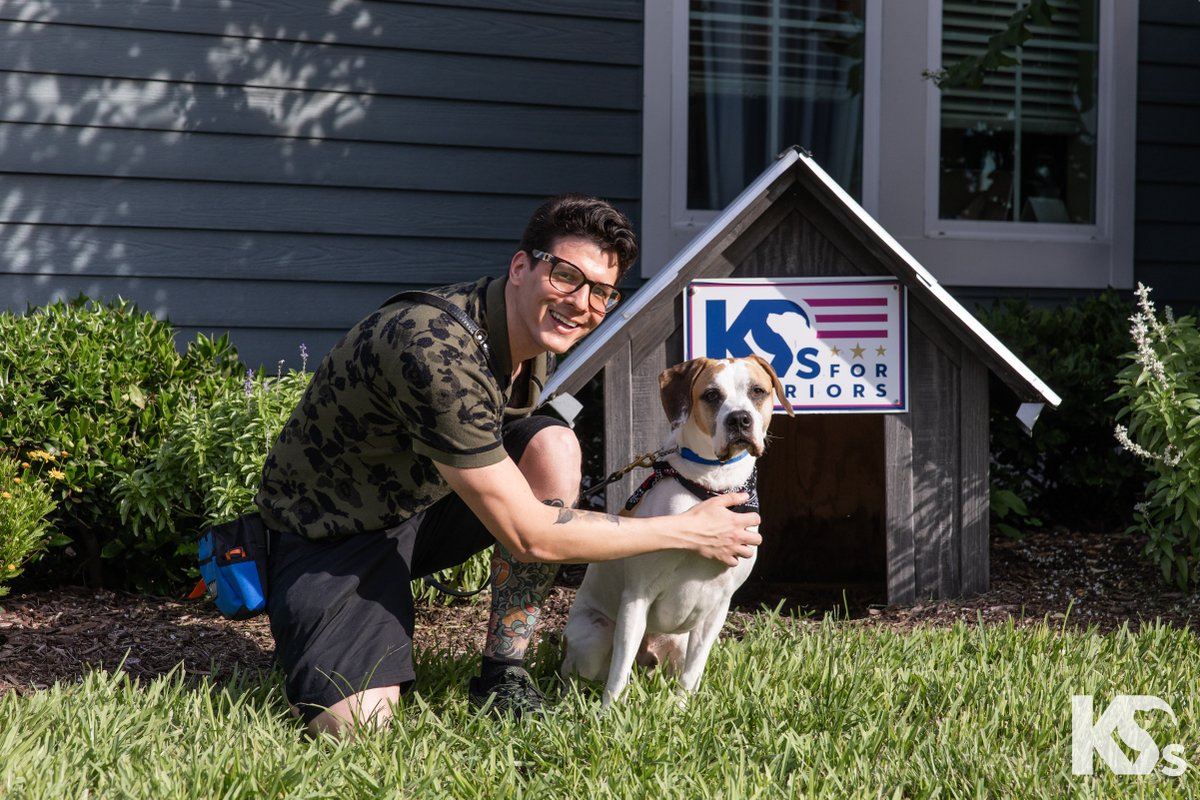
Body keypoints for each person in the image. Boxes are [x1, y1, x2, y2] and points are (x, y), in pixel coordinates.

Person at [256, 193, 761, 736]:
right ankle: (323, 611)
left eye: (601, 292)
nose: (581, 303)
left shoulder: (533, 332)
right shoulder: (434, 348)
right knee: (355, 725)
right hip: (337, 532)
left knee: (554, 445)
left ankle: (504, 670)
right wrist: (682, 531)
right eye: (566, 275)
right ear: (521, 266)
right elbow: (529, 535)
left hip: (424, 497)